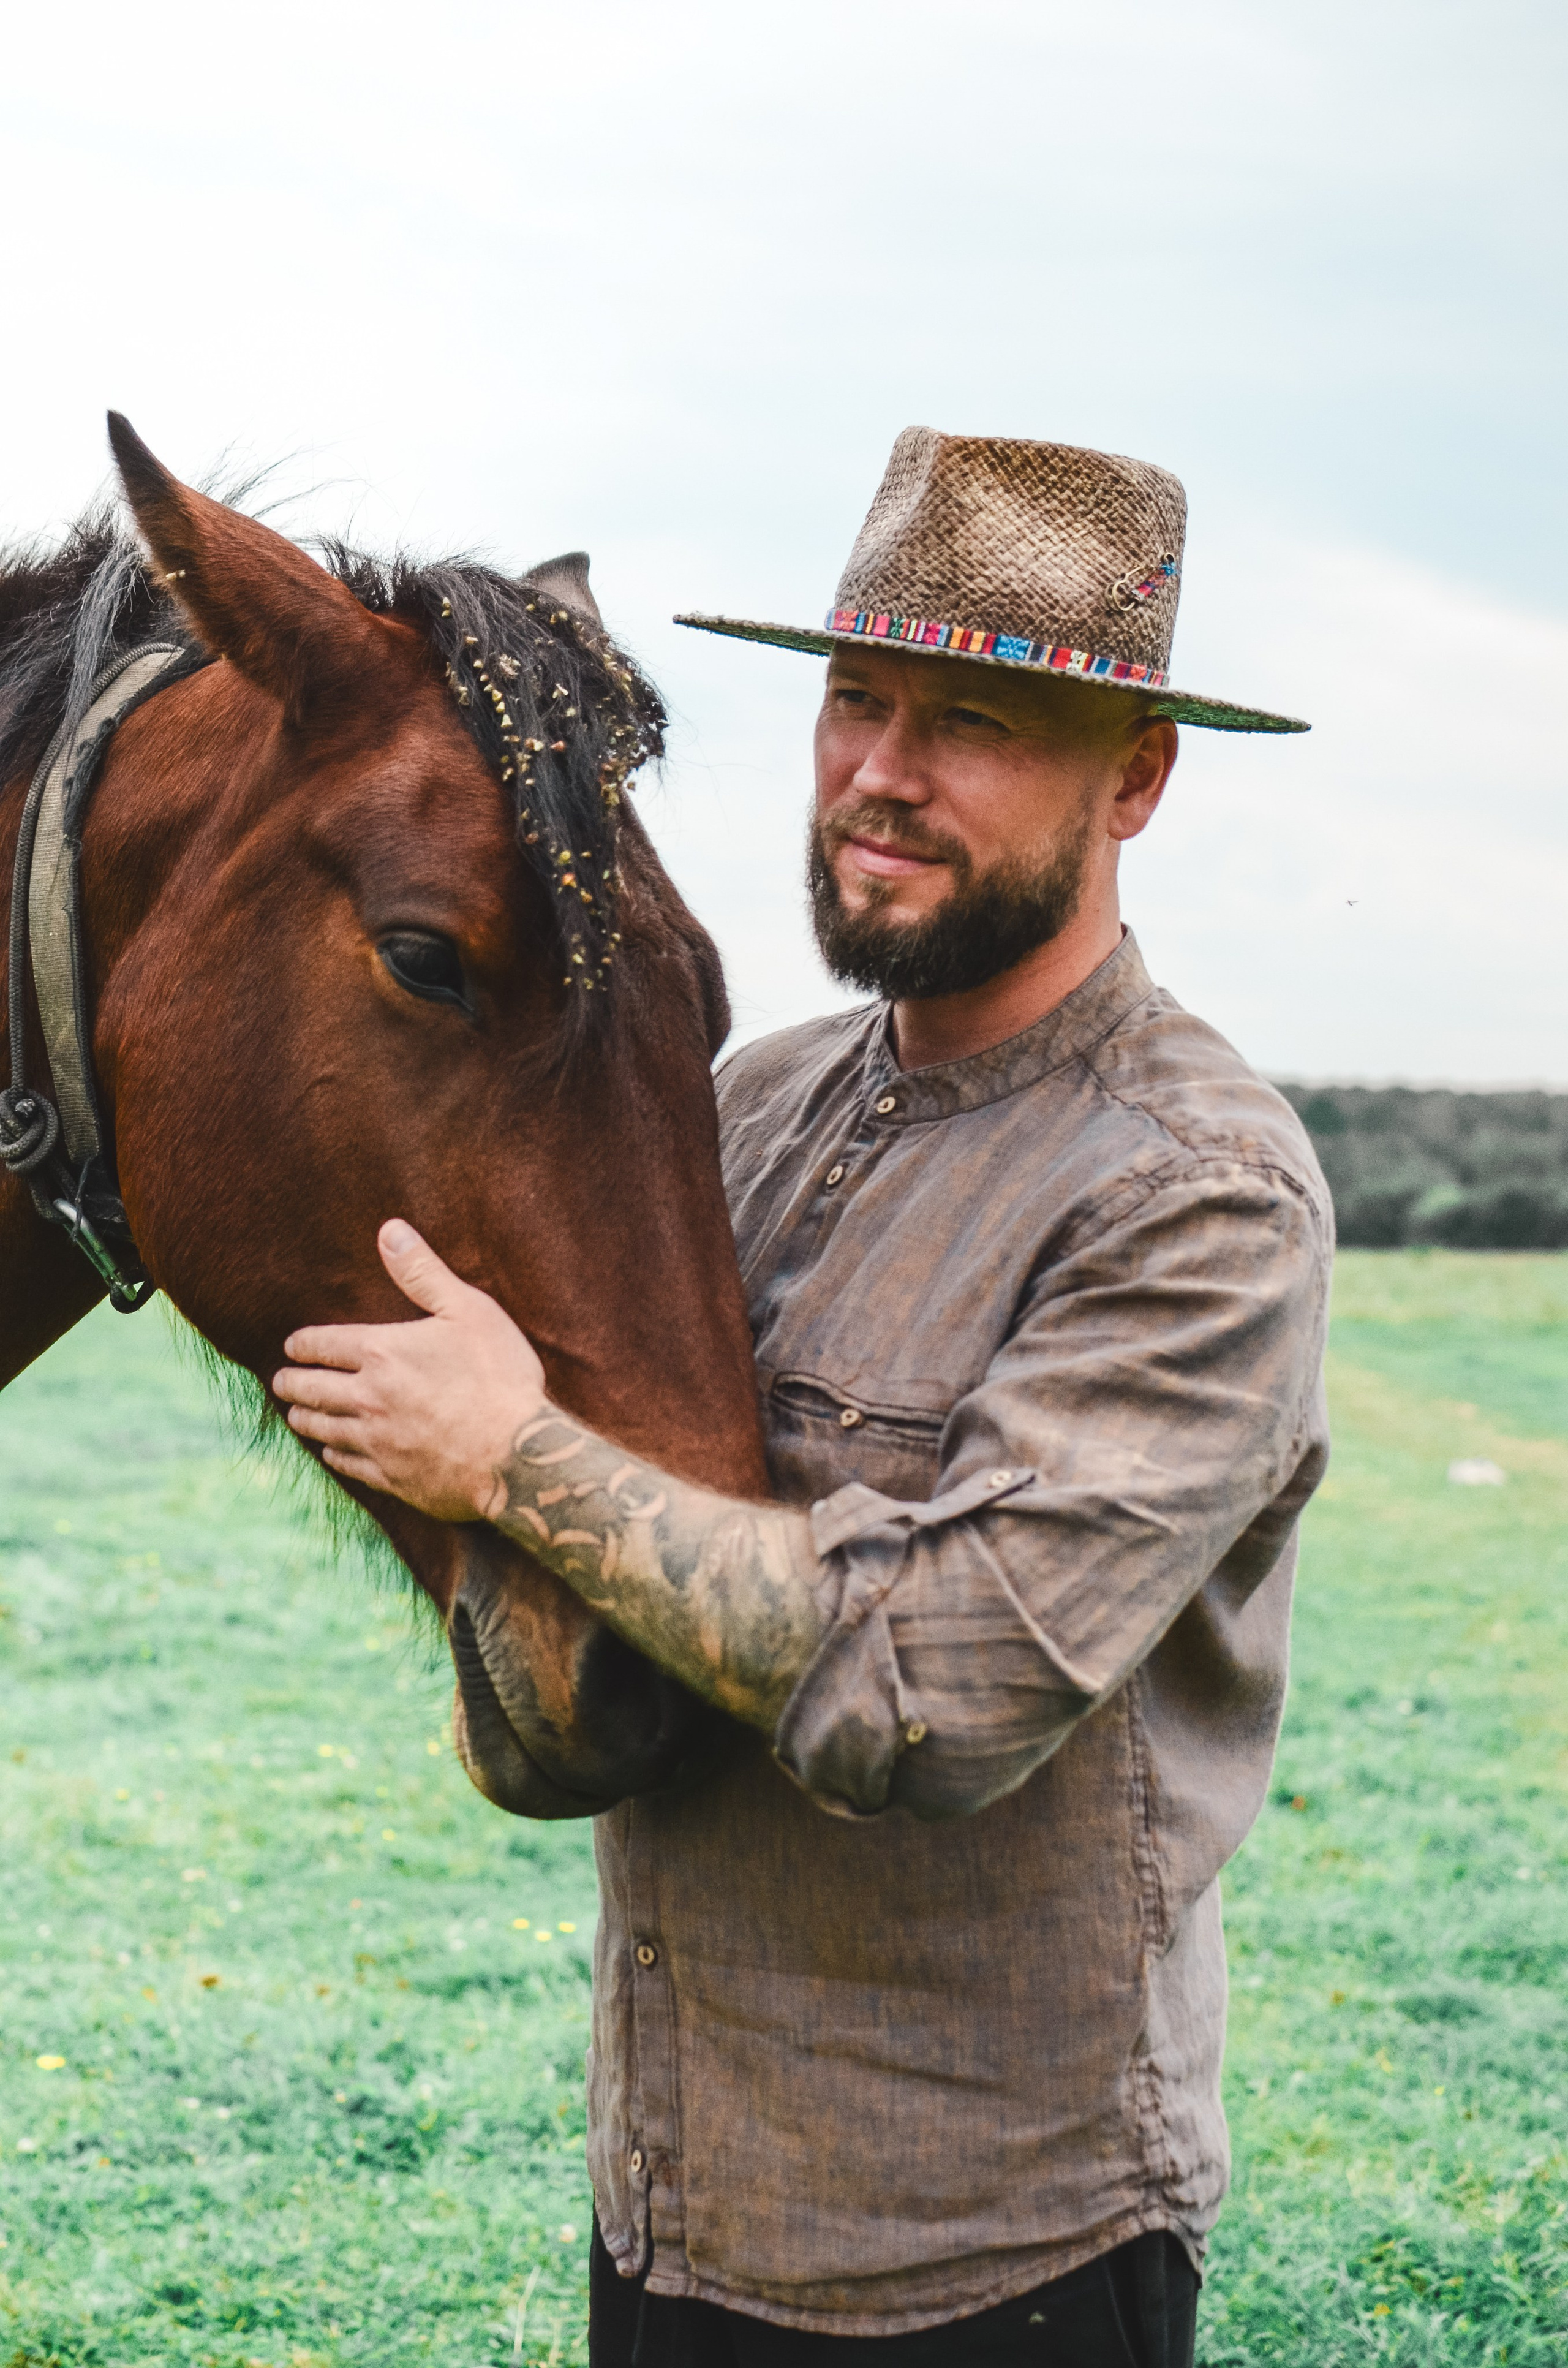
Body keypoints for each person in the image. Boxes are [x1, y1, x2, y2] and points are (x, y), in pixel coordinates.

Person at [275, 429, 1332, 2367]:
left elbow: (932, 1690)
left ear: (1139, 776)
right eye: (858, 696)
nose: (881, 773)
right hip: (674, 2207)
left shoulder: (1196, 1192)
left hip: (990, 2263)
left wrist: (510, 1454)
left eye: (980, 722)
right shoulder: (746, 1110)